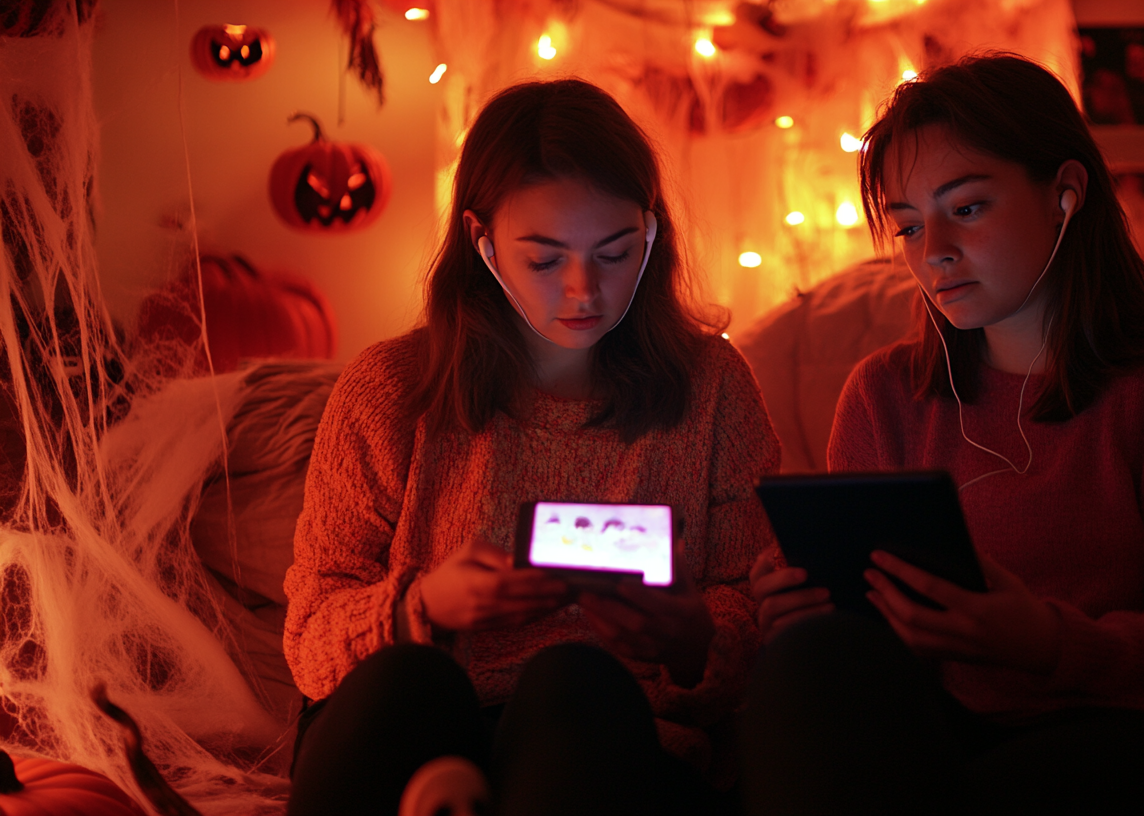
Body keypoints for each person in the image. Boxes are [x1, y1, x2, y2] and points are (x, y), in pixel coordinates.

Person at [741, 53, 1144, 815]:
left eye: (968, 208)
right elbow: (875, 655)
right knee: (811, 661)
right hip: (957, 733)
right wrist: (808, 606)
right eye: (908, 225)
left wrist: (1045, 643)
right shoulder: (886, 395)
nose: (932, 249)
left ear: (1065, 196)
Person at [283, 79, 779, 816]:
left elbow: (759, 624)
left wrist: (690, 633)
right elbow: (311, 642)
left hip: (611, 741)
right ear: (482, 244)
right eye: (545, 261)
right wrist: (422, 607)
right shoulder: (389, 390)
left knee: (575, 680)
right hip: (416, 728)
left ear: (650, 231)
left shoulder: (713, 388)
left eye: (614, 253)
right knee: (409, 680)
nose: (584, 290)